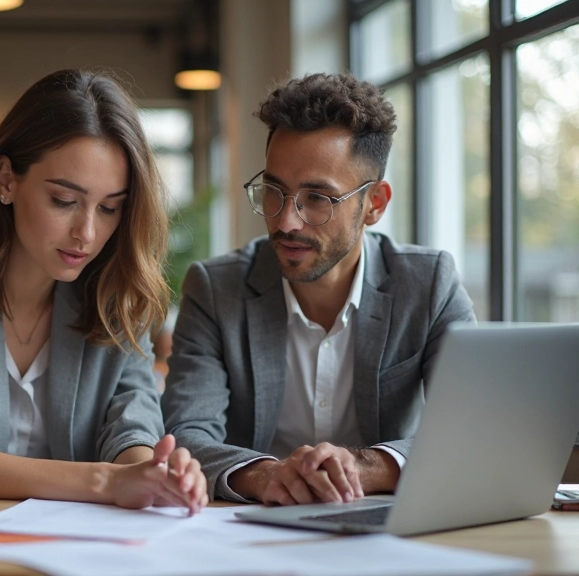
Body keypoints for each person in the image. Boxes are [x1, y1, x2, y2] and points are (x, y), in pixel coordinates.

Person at [0, 69, 207, 513]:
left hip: (80, 542)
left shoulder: (118, 293)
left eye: (110, 208)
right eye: (64, 201)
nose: (87, 232)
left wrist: (153, 474)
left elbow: (131, 429)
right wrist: (107, 481)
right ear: (6, 181)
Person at [162, 72, 475, 506]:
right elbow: (185, 433)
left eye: (317, 199)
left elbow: (470, 426)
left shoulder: (427, 284)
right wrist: (269, 475)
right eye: (274, 190)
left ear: (375, 204)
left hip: (385, 522)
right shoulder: (216, 289)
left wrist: (364, 467)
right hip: (256, 523)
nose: (286, 221)